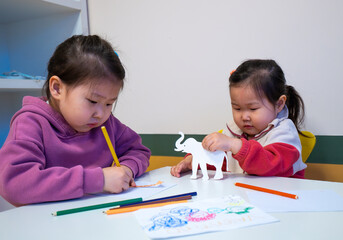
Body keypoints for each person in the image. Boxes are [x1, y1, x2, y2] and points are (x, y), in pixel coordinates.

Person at [0, 35, 151, 206]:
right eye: (92, 101)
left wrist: (126, 170)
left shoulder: (106, 124)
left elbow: (139, 151)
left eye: (109, 103)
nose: (101, 114)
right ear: (57, 88)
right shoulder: (31, 123)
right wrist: (98, 180)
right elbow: (15, 184)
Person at [171, 59, 307, 179]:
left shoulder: (284, 131)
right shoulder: (234, 130)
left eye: (253, 109)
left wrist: (236, 145)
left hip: (282, 200)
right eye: (237, 108)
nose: (244, 117)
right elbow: (221, 161)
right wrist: (192, 160)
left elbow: (271, 165)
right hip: (247, 197)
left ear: (279, 104)